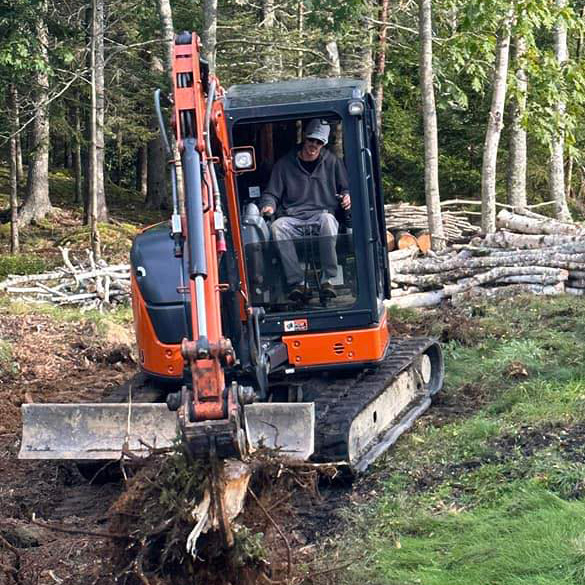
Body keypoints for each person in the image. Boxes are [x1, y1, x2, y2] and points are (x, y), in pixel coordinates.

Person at [259, 119, 351, 303]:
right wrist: (269, 205)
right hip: (293, 217)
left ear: (323, 144)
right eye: (311, 140)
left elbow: (346, 187)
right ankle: (298, 282)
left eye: (319, 142)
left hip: (322, 214)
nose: (314, 146)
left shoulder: (332, 162)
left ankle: (328, 279)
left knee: (328, 221)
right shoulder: (284, 165)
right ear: (304, 139)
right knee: (277, 226)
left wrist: (348, 195)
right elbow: (271, 194)